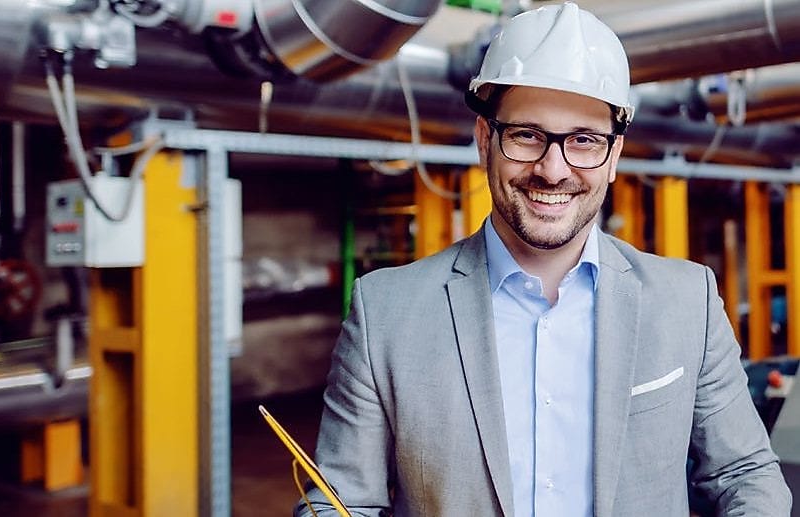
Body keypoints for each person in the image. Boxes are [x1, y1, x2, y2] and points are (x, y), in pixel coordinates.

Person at [294, 2, 792, 516]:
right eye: (527, 135)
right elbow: (339, 501)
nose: (553, 170)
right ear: (485, 140)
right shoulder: (386, 314)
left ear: (614, 156)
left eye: (583, 140)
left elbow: (745, 474)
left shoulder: (687, 301)